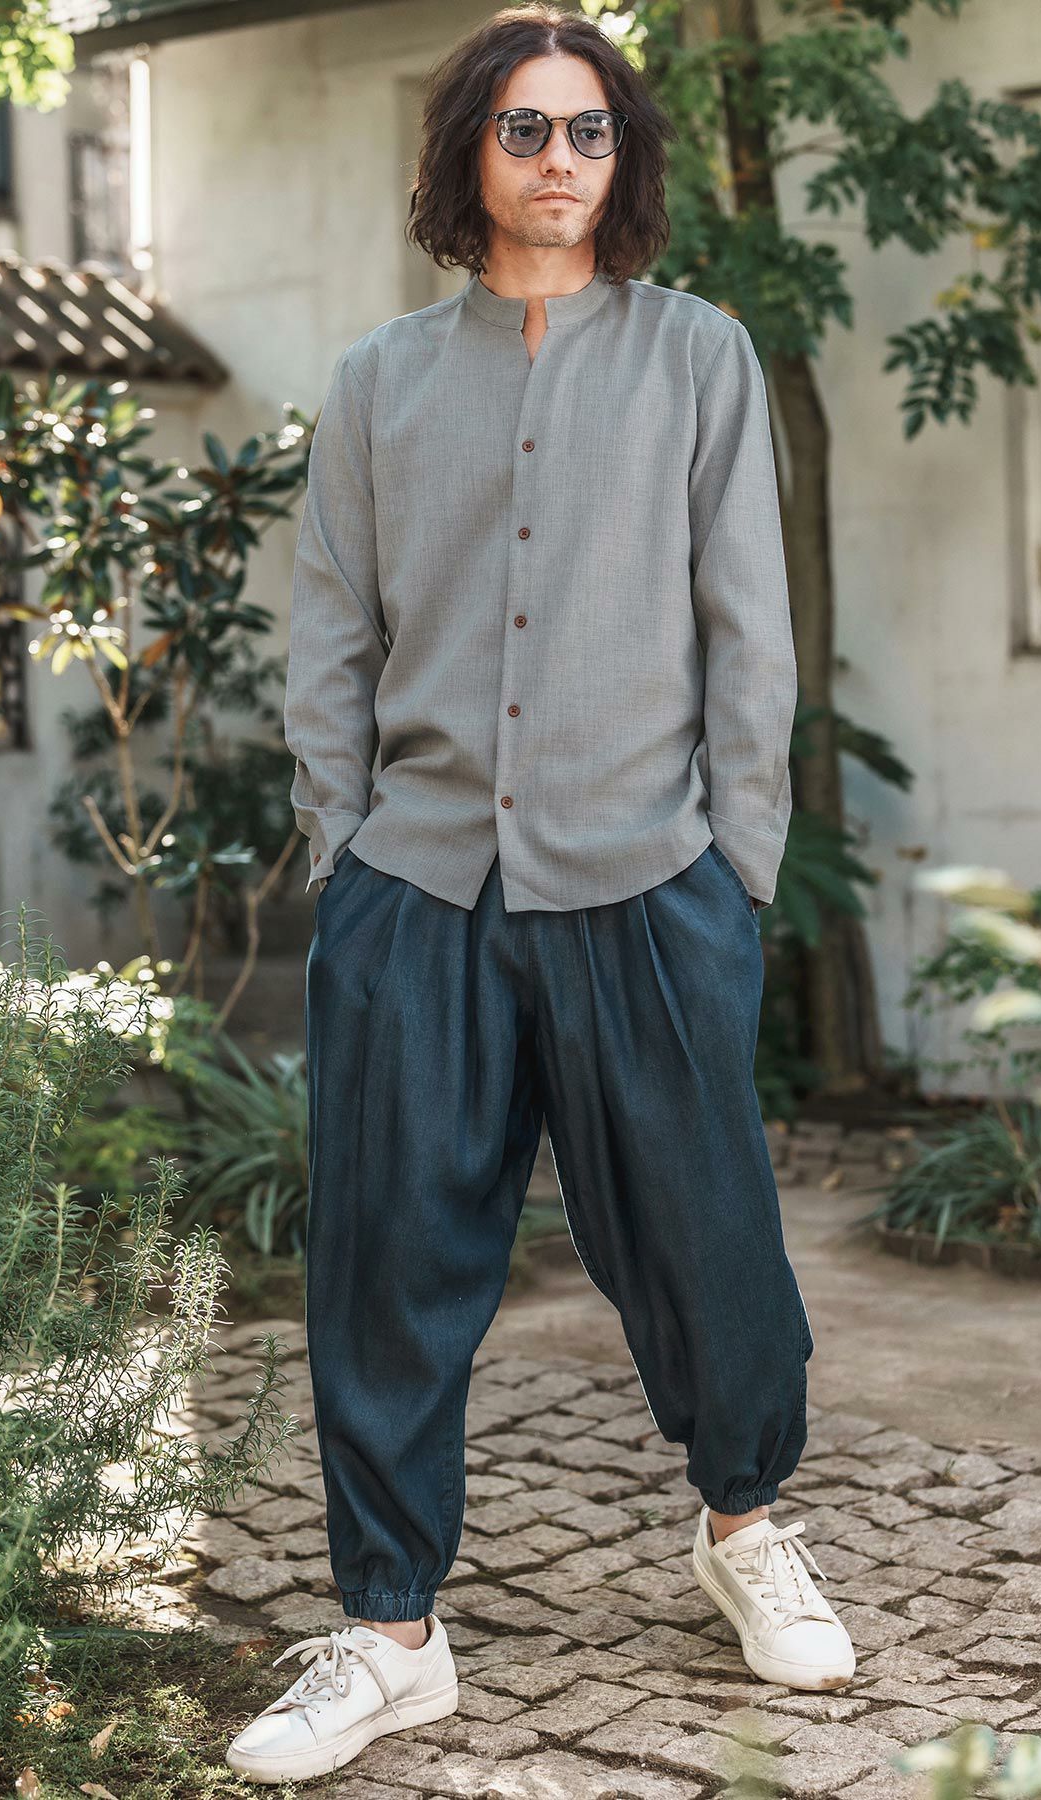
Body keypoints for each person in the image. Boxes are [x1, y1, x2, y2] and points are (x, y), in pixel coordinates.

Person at [226, 3, 854, 1782]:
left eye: (587, 130)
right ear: (468, 155)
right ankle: (389, 1634)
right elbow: (331, 637)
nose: (559, 158)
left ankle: (746, 1531)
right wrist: (346, 851)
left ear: (620, 156)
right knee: (386, 1264)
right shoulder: (380, 382)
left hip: (650, 878)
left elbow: (750, 631)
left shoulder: (696, 356)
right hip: (418, 887)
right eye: (524, 128)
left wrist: (735, 867)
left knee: (705, 1240)